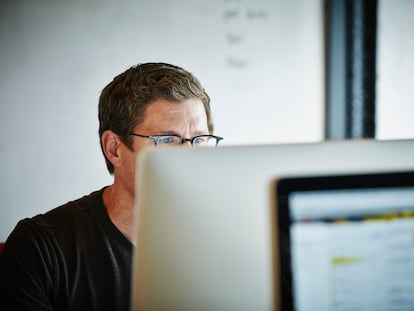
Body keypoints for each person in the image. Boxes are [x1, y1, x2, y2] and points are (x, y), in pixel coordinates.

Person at [0, 62, 223, 310]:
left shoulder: (230, 239)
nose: (189, 156)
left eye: (200, 140)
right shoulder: (40, 249)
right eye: (168, 140)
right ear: (114, 148)